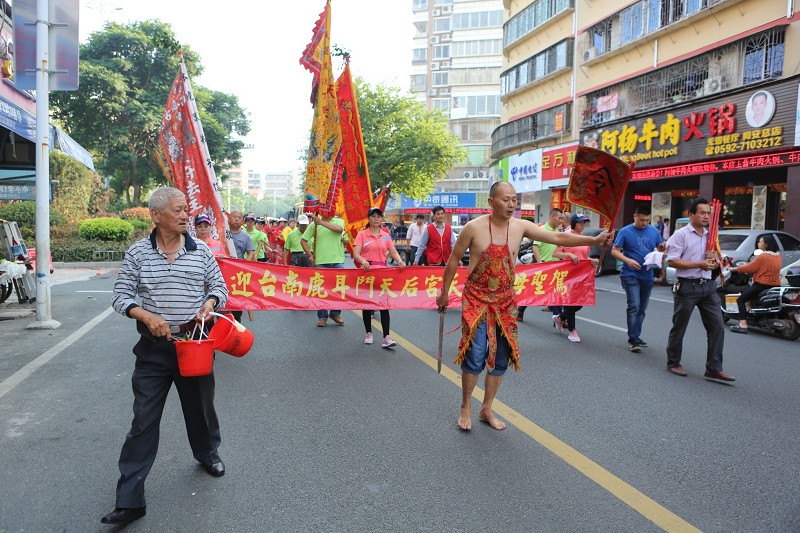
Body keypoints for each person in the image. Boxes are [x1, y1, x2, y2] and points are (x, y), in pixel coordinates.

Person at [436, 181, 613, 431]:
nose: (511, 204)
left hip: (506, 299)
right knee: (475, 354)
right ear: (491, 202)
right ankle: (466, 405)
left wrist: (594, 239)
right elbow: (453, 261)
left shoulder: (521, 226)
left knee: (501, 357)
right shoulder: (473, 228)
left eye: (514, 200)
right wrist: (444, 294)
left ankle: (486, 408)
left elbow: (558, 236)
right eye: (505, 199)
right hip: (476, 298)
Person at [103, 187, 228, 525]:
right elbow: (121, 295)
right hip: (153, 351)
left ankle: (207, 453)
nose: (186, 215)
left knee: (200, 409)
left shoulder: (201, 250)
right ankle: (130, 500)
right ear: (156, 215)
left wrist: (210, 303)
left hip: (193, 344)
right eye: (179, 210)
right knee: (143, 420)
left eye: (187, 209)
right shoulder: (138, 253)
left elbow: (220, 287)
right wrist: (144, 315)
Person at [664, 198, 735, 381]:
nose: (706, 216)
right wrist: (699, 264)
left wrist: (716, 259)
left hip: (708, 288)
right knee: (679, 327)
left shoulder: (711, 235)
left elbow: (719, 262)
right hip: (687, 287)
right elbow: (672, 261)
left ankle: (714, 367)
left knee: (717, 326)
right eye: (702, 213)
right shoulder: (681, 235)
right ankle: (673, 362)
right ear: (691, 215)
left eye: (708, 213)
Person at [611, 204, 664, 352]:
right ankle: (633, 338)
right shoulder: (625, 231)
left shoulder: (654, 231)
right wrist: (627, 261)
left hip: (647, 274)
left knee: (642, 308)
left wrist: (662, 250)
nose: (644, 223)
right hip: (629, 274)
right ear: (635, 217)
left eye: (647, 220)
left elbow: (660, 247)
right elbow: (615, 251)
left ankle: (637, 336)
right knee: (634, 305)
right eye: (641, 220)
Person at [353, 207, 406, 348]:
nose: (376, 218)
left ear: (382, 219)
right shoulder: (362, 235)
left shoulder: (385, 236)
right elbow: (356, 253)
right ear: (369, 219)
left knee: (384, 305)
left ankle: (386, 337)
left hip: (383, 272)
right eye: (373, 216)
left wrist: (400, 261)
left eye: (379, 216)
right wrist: (363, 261)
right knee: (367, 304)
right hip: (367, 272)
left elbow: (392, 251)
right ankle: (368, 333)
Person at [552, 214, 599, 342]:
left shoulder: (585, 239)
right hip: (568, 275)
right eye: (580, 223)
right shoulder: (566, 237)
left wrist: (592, 260)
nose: (583, 225)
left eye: (584, 223)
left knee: (580, 303)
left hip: (582, 275)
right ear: (573, 224)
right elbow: (555, 253)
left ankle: (560, 318)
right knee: (571, 302)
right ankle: (572, 331)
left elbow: (583, 256)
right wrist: (568, 255)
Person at [728, 235, 782, 334]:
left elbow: (749, 267)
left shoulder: (763, 256)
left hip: (761, 284)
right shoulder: (778, 257)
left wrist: (734, 269)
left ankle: (742, 324)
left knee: (740, 299)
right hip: (775, 285)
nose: (758, 244)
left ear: (766, 244)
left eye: (760, 242)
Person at [302, 211, 346, 327]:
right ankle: (322, 317)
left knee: (338, 289)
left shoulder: (339, 221)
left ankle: (335, 313)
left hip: (337, 261)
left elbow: (338, 229)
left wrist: (320, 222)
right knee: (321, 291)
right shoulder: (314, 225)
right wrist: (310, 255)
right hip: (320, 262)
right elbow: (303, 241)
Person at [518, 207, 562, 322]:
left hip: (555, 268)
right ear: (552, 217)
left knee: (554, 292)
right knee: (534, 291)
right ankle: (521, 309)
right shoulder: (542, 229)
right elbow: (535, 246)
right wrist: (539, 263)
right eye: (559, 218)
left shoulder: (558, 232)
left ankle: (558, 318)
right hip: (543, 265)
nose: (560, 220)